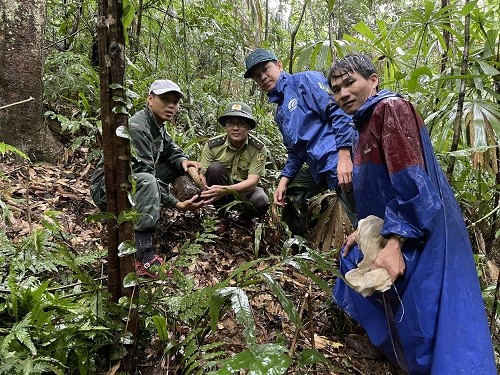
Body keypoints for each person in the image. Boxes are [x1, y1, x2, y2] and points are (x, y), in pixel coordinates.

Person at [328, 54, 496, 374]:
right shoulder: (362, 126)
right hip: (397, 226)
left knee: (432, 313)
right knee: (355, 265)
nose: (343, 93)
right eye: (336, 89)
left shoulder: (390, 110)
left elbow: (412, 182)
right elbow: (380, 191)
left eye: (350, 83)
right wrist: (363, 232)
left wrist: (394, 244)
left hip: (422, 227)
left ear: (373, 80)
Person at [90, 79, 204, 278]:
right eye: (164, 99)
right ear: (150, 99)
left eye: (175, 102)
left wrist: (184, 162)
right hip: (106, 189)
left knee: (170, 168)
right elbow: (145, 175)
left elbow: (170, 149)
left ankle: (168, 206)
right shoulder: (139, 127)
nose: (170, 105)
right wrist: (176, 204)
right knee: (148, 181)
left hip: (128, 181)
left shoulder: (157, 125)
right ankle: (143, 255)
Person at [244, 48, 356, 236]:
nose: (262, 77)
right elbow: (295, 152)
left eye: (265, 69)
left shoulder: (305, 81)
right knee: (293, 189)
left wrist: (345, 156)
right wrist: (283, 181)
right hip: (317, 166)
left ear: (279, 65)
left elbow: (340, 112)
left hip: (339, 158)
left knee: (361, 215)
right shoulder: (280, 113)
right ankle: (298, 246)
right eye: (257, 75)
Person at [199, 101, 269, 230]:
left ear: (248, 126)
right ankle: (221, 217)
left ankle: (245, 219)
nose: (235, 128)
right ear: (225, 126)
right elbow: (204, 176)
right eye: (231, 123)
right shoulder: (212, 146)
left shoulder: (258, 148)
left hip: (245, 191)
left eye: (241, 123)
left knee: (261, 201)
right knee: (215, 168)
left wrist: (226, 189)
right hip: (220, 192)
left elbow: (252, 182)